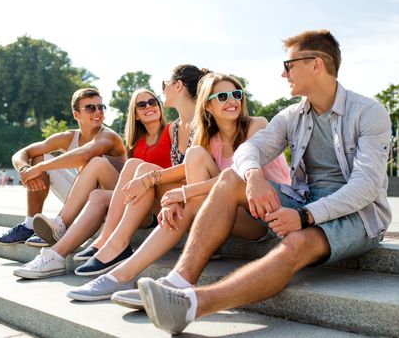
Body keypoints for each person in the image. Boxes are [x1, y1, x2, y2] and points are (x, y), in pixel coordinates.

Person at [136, 29, 393, 335]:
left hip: (358, 216)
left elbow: (365, 187)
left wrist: (305, 216)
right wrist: (254, 176)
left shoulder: (369, 113)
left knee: (298, 242)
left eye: (289, 65)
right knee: (232, 178)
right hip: (305, 199)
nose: (283, 74)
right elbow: (250, 150)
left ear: (316, 65)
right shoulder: (291, 116)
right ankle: (177, 283)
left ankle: (192, 304)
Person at [64, 72, 291, 302]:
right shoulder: (210, 139)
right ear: (208, 105)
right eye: (222, 96)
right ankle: (121, 271)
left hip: (267, 215)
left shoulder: (257, 125)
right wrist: (151, 180)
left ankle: (121, 274)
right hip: (230, 212)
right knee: (192, 156)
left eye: (236, 94)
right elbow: (187, 170)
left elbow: (236, 177)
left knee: (188, 200)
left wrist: (182, 194)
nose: (231, 100)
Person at [13, 64, 207, 280]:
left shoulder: (172, 129)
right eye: (141, 105)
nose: (148, 106)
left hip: (161, 200)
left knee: (123, 165)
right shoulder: (136, 143)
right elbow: (28, 152)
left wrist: (148, 178)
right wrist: (26, 167)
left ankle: (84, 233)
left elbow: (88, 153)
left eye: (152, 101)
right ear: (135, 114)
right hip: (140, 196)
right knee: (99, 193)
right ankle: (56, 254)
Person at [0, 88, 126, 246]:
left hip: (111, 201)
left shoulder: (109, 136)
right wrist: (25, 170)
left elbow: (84, 155)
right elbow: (23, 152)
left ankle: (60, 225)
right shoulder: (68, 137)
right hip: (82, 198)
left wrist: (39, 168)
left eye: (100, 107)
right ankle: (29, 225)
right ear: (77, 115)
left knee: (48, 164)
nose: (98, 111)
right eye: (90, 107)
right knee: (38, 157)